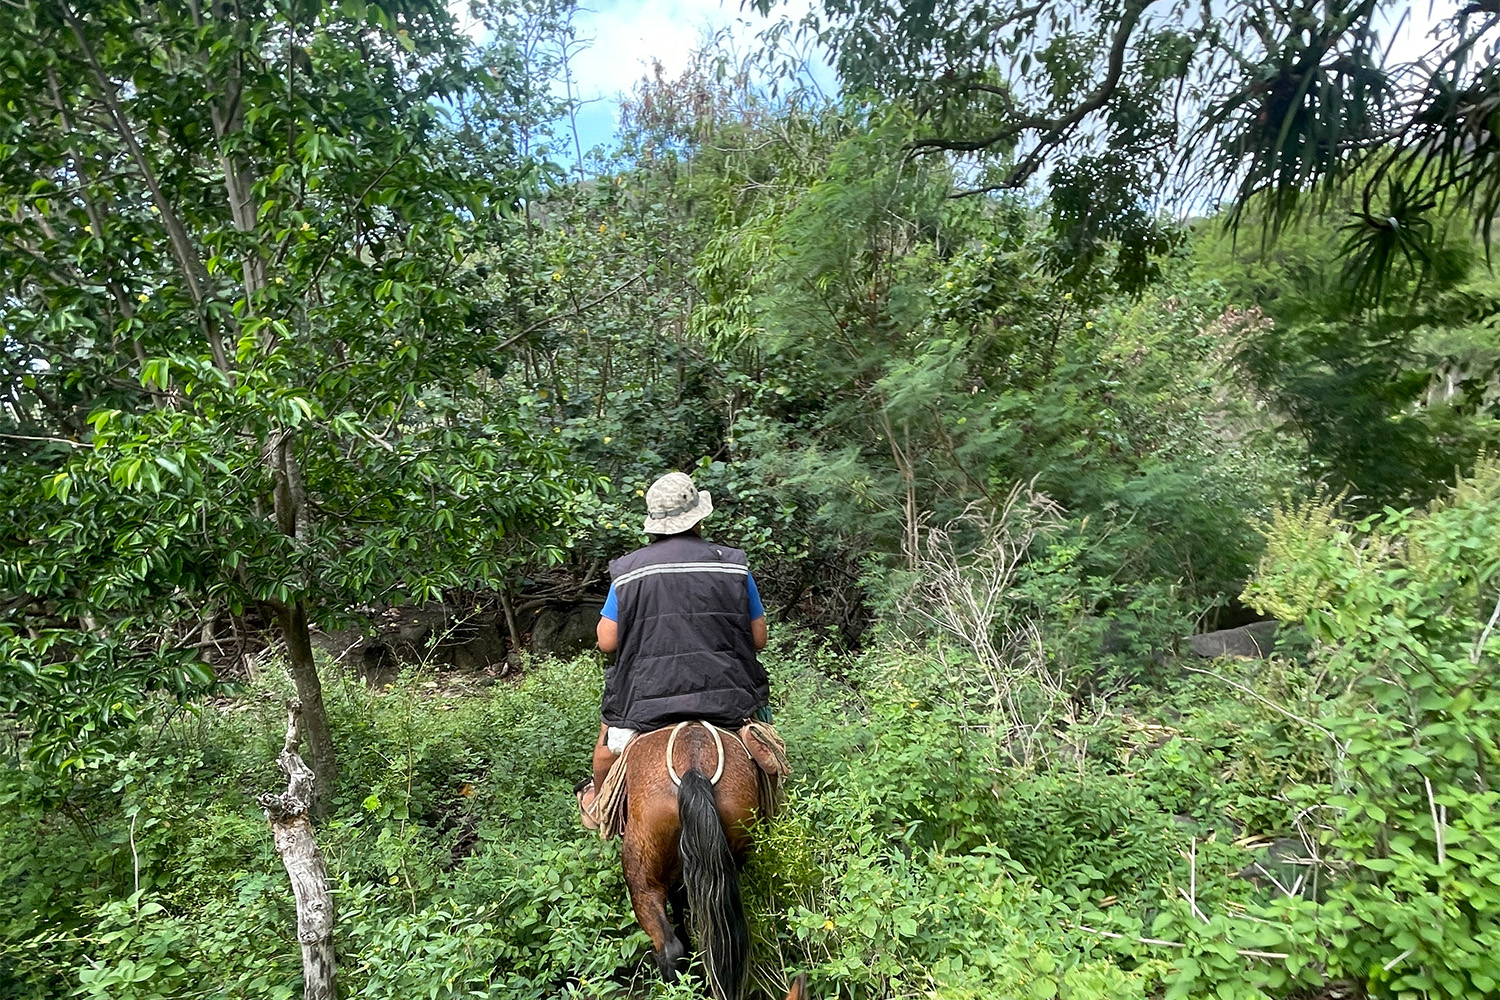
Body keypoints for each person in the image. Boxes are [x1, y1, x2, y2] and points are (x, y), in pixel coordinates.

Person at [577, 471, 769, 828]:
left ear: (654, 523)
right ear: (699, 517)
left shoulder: (629, 571)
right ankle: (774, 814)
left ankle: (602, 810)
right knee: (766, 751)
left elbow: (607, 641)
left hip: (645, 698)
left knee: (604, 755)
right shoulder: (733, 565)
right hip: (728, 697)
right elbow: (758, 639)